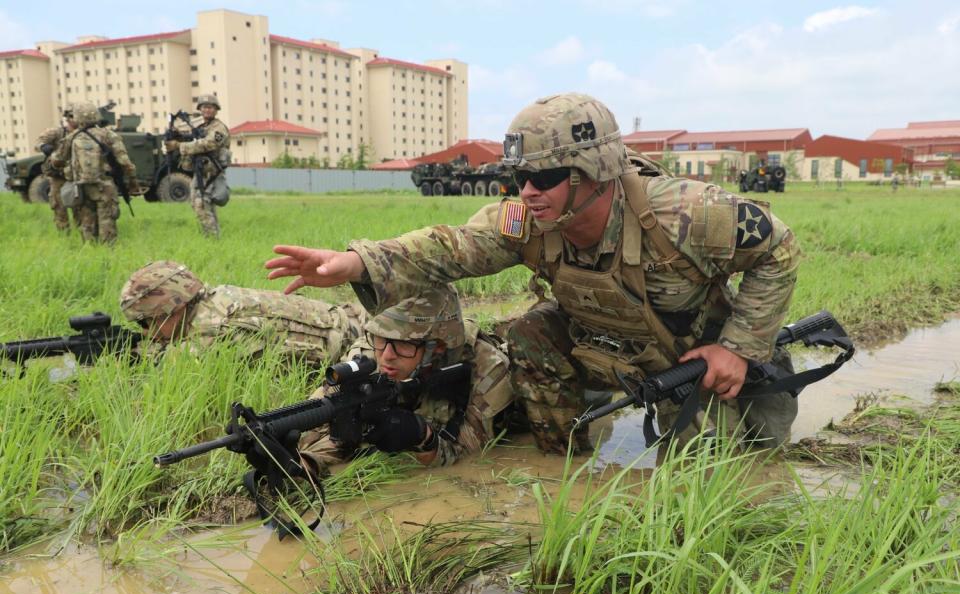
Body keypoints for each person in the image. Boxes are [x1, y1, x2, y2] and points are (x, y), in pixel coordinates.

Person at [265, 92, 801, 454]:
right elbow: (455, 247)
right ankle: (564, 453)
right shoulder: (528, 221)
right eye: (519, 175)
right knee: (529, 330)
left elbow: (779, 248)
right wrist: (356, 262)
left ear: (593, 171)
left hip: (704, 366)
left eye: (543, 176)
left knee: (715, 488)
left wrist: (738, 347)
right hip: (611, 349)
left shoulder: (684, 212)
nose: (527, 191)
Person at [297, 284, 516, 474]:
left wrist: (422, 437)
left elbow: (467, 458)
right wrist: (305, 464)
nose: (387, 356)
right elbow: (327, 428)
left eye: (403, 344)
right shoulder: (369, 355)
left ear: (436, 347)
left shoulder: (488, 370)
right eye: (380, 338)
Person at [119, 260, 366, 368]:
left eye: (145, 321)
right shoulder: (216, 298)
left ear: (172, 309)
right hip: (350, 315)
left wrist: (127, 351)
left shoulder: (212, 331)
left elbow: (168, 365)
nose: (145, 331)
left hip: (357, 344)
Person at [50, 101, 137, 244]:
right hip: (105, 186)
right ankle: (108, 257)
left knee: (86, 224)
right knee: (107, 222)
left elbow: (57, 160)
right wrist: (132, 182)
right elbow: (125, 162)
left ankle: (90, 254)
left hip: (81, 188)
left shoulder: (72, 137)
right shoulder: (108, 135)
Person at [164, 94, 230, 237]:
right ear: (200, 109)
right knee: (199, 204)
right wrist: (177, 136)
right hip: (200, 172)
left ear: (216, 110)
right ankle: (214, 236)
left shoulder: (219, 128)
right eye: (204, 107)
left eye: (211, 107)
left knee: (202, 205)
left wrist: (179, 145)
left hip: (211, 174)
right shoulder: (202, 127)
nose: (207, 110)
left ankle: (212, 238)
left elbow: (208, 143)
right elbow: (192, 138)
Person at [34, 106, 78, 232]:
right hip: (58, 176)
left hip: (76, 176)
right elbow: (38, 142)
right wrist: (44, 146)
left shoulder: (83, 133)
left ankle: (82, 233)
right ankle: (64, 234)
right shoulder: (57, 132)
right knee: (59, 206)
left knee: (80, 206)